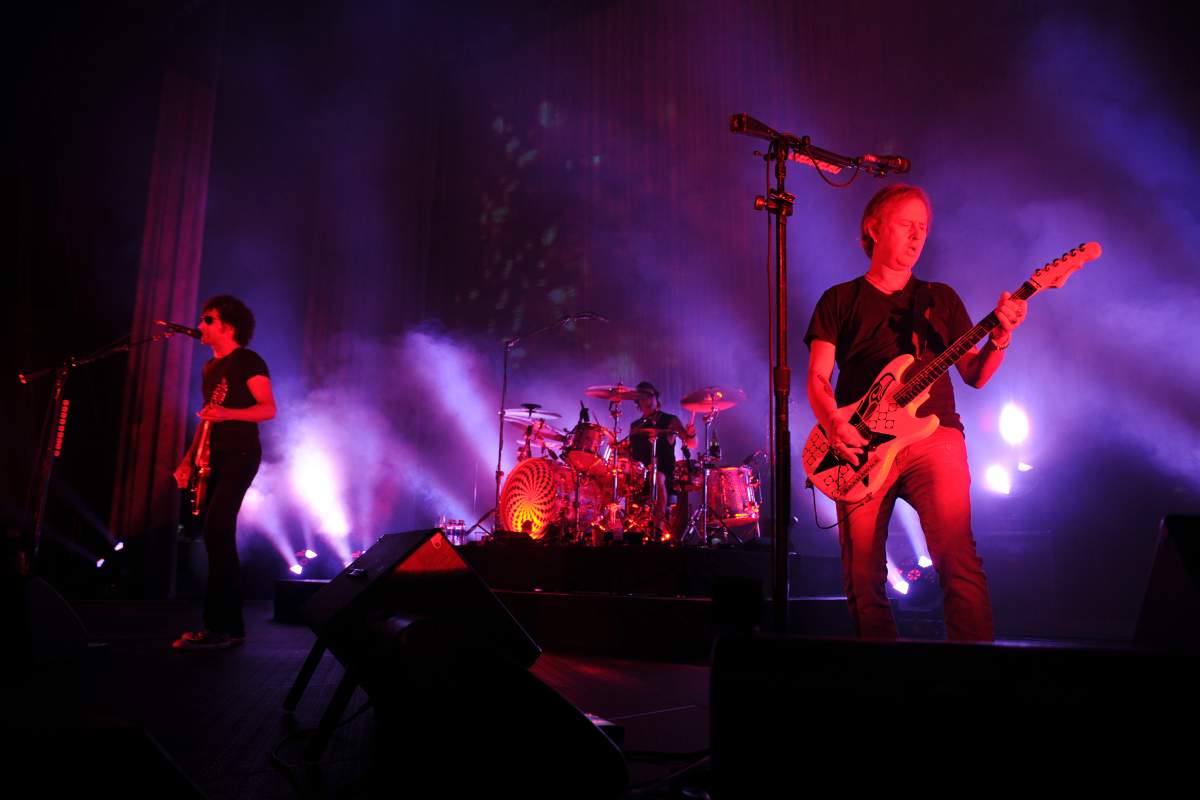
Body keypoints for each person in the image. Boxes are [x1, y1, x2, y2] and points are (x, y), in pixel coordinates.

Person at [803, 184, 1027, 641]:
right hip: (859, 446)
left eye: (922, 228)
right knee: (862, 576)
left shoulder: (939, 299)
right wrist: (833, 423)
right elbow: (818, 378)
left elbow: (976, 375)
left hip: (935, 436)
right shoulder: (839, 300)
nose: (916, 236)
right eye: (907, 225)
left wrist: (1001, 337)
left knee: (958, 559)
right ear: (874, 228)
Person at [172, 295, 275, 651]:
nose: (200, 325)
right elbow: (207, 419)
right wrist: (187, 460)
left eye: (207, 319)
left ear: (228, 326)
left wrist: (229, 414)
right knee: (216, 536)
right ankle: (229, 627)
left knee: (217, 530)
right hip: (213, 457)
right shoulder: (209, 369)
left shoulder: (248, 361)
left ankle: (221, 627)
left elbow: (267, 409)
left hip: (241, 455)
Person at [628, 381, 696, 533]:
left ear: (656, 397)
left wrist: (691, 433)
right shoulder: (636, 426)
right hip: (641, 474)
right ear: (638, 401)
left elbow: (690, 443)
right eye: (643, 396)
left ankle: (658, 527)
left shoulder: (670, 420)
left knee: (657, 477)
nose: (648, 399)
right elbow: (629, 452)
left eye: (650, 395)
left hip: (665, 473)